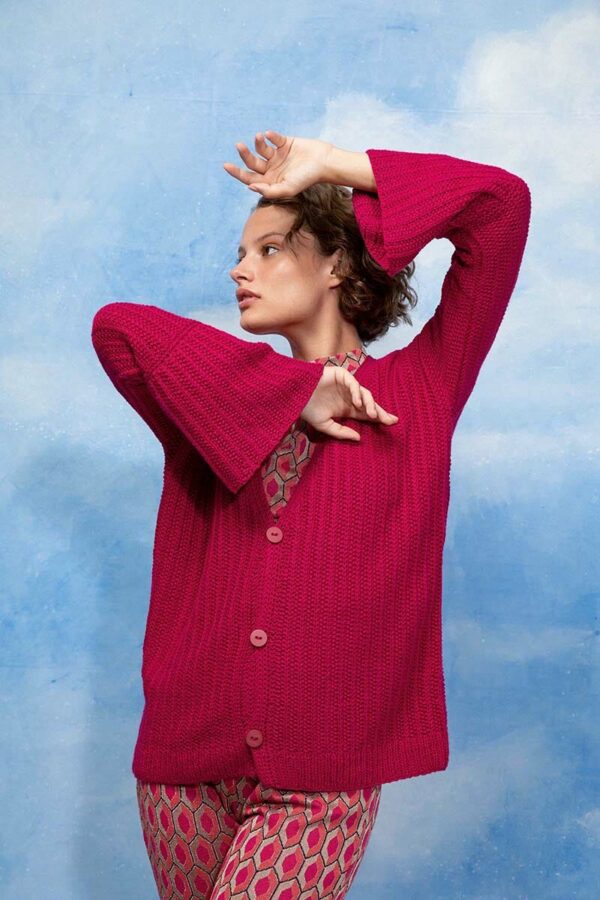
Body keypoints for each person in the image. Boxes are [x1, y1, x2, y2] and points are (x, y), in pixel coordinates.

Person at [91, 130, 531, 898]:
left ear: (336, 264)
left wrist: (333, 168)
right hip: (183, 767)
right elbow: (117, 328)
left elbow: (500, 207)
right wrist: (294, 393)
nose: (239, 270)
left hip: (322, 779)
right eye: (240, 253)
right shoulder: (207, 406)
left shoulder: (424, 387)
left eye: (269, 251)